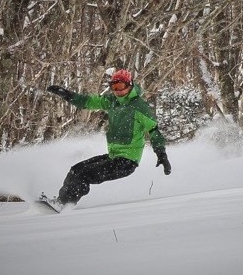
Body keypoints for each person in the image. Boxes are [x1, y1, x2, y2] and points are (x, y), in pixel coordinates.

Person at [46, 69, 171, 207]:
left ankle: (64, 204)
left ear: (129, 85)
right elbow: (87, 102)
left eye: (120, 87)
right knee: (76, 170)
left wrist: (161, 153)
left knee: (84, 175)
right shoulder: (112, 101)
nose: (117, 91)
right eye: (113, 87)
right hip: (114, 157)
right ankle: (60, 201)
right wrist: (66, 94)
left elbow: (153, 130)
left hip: (127, 162)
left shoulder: (139, 106)